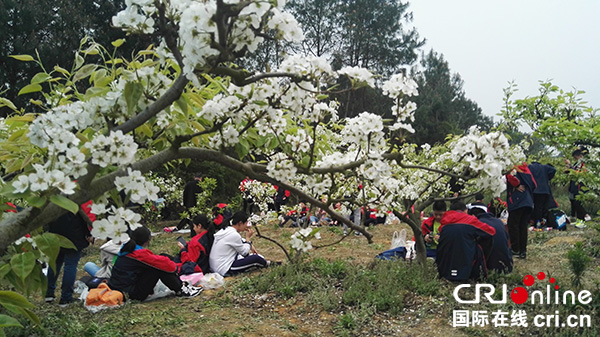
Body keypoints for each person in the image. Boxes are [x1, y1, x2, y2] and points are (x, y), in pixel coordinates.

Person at [108, 226, 203, 301]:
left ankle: (181, 284)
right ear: (147, 241)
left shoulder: (128, 249)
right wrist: (177, 268)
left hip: (120, 288)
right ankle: (181, 290)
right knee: (159, 267)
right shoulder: (139, 254)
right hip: (130, 294)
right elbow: (165, 264)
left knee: (162, 258)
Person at [45, 201, 95, 306]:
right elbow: (86, 214)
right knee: (70, 265)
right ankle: (66, 297)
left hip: (55, 232)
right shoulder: (79, 193)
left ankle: (49, 293)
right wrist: (90, 233)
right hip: (74, 233)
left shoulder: (54, 192)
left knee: (55, 263)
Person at [435, 201, 496, 282]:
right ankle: (479, 269)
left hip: (445, 269)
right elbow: (491, 232)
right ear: (466, 211)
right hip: (466, 265)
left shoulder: (444, 222)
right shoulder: (470, 220)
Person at [209, 211, 269, 276]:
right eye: (246, 223)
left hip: (216, 266)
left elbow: (239, 241)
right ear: (240, 223)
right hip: (225, 269)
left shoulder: (226, 230)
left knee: (250, 256)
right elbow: (244, 252)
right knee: (256, 259)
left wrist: (250, 245)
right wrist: (248, 239)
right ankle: (267, 264)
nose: (247, 225)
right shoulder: (234, 234)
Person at [467, 203, 513, 274]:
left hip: (488, 268)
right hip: (507, 266)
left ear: (473, 216)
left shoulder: (477, 223)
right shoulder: (499, 222)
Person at [505, 163, 536, 259]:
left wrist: (516, 185)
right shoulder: (527, 169)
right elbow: (534, 184)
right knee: (523, 226)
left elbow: (510, 177)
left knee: (513, 225)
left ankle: (515, 249)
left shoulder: (513, 167)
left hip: (517, 201)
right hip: (528, 201)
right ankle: (523, 251)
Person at [566, 148, 591, 227]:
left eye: (575, 157)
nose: (575, 159)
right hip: (574, 185)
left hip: (580, 186)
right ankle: (579, 220)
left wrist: (570, 166)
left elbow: (580, 173)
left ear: (580, 156)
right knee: (574, 201)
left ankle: (585, 216)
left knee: (577, 202)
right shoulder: (577, 163)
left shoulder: (583, 164)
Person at [528, 161, 557, 227]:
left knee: (535, 207)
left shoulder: (530, 167)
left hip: (534, 190)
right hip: (545, 190)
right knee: (542, 207)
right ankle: (542, 221)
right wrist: (548, 177)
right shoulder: (544, 167)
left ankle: (537, 222)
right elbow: (554, 170)